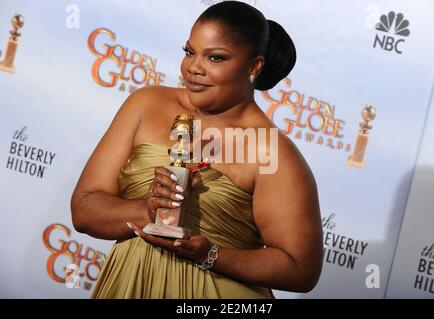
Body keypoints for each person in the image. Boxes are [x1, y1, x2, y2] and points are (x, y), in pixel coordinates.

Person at [71, 1, 323, 299]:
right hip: (130, 284)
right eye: (189, 52)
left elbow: (300, 268)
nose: (193, 68)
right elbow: (84, 210)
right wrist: (147, 210)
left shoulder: (273, 151)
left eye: (215, 57)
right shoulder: (146, 104)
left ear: (253, 67)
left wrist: (210, 254)